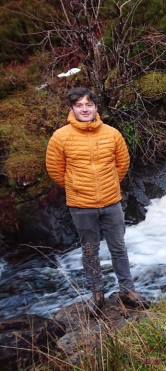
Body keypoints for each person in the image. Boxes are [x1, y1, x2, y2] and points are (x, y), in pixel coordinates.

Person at [46, 87, 149, 315]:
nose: (85, 109)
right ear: (72, 108)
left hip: (111, 202)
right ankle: (97, 294)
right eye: (80, 105)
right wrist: (75, 186)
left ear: (96, 107)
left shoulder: (112, 134)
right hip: (81, 205)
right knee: (90, 250)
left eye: (88, 104)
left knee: (118, 247)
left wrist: (108, 184)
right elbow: (55, 169)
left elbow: (122, 164)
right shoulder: (61, 137)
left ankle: (127, 291)